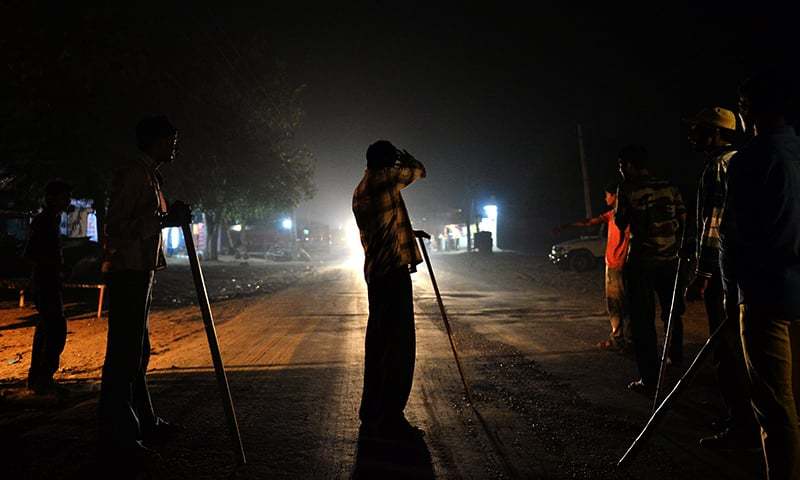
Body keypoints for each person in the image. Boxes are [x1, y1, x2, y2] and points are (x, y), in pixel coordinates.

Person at [721, 68, 800, 479]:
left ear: (748, 109)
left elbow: (732, 235)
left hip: (766, 292)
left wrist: (728, 290)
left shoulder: (749, 159)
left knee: (774, 402)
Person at [98, 115, 191, 460]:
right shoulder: (133, 174)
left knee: (138, 351)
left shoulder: (150, 175)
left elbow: (149, 221)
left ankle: (144, 422)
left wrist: (168, 218)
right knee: (124, 355)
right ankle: (118, 435)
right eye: (171, 140)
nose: (175, 146)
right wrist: (164, 220)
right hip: (128, 271)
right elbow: (118, 226)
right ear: (155, 141)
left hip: (142, 271)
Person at [683, 106, 759, 450]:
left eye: (698, 130)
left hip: (722, 272)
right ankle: (742, 417)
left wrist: (702, 274)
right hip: (744, 268)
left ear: (714, 133)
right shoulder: (743, 160)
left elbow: (714, 223)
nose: (691, 136)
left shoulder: (718, 166)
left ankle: (740, 425)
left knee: (726, 349)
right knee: (741, 346)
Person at [352, 139, 427, 440]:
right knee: (399, 347)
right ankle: (392, 417)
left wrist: (408, 231)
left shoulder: (362, 187)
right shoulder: (386, 180)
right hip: (392, 276)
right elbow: (419, 171)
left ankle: (372, 412)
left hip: (376, 275)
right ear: (387, 162)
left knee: (379, 346)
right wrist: (405, 158)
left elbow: (384, 224)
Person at [614, 145, 687, 395]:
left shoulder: (628, 189)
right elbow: (683, 218)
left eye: (622, 166)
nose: (621, 170)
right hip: (670, 258)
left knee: (642, 320)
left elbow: (620, 222)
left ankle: (650, 378)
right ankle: (675, 358)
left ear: (629, 165)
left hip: (642, 262)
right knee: (672, 311)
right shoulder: (669, 185)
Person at [553, 182, 631, 351]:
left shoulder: (617, 216)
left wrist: (566, 226)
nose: (605, 198)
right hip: (623, 265)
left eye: (607, 195)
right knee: (626, 304)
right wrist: (568, 226)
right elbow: (589, 222)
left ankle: (619, 340)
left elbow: (589, 222)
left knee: (615, 305)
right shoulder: (618, 215)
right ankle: (625, 339)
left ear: (615, 196)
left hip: (616, 266)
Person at [24, 180, 72, 395]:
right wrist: (54, 265)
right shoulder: (43, 222)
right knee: (55, 329)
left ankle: (38, 377)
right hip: (45, 281)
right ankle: (43, 377)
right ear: (52, 198)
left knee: (47, 327)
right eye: (64, 196)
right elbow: (32, 253)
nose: (67, 200)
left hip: (48, 281)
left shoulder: (51, 220)